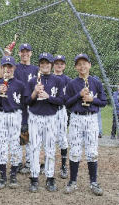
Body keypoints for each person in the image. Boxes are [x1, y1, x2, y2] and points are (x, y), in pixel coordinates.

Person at [64, 53, 107, 196]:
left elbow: (104, 102)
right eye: (79, 64)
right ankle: (72, 181)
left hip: (92, 118)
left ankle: (93, 182)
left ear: (89, 65)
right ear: (76, 67)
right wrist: (79, 95)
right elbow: (67, 103)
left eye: (85, 63)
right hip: (76, 118)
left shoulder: (96, 82)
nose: (82, 66)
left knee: (92, 151)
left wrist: (91, 99)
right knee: (75, 151)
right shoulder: (72, 83)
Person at [25, 53, 64, 192]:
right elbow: (27, 102)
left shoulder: (58, 81)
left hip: (51, 117)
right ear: (39, 65)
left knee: (50, 149)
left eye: (47, 63)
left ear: (51, 64)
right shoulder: (33, 81)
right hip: (35, 117)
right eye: (42, 63)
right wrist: (35, 93)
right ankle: (34, 178)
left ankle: (50, 177)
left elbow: (61, 101)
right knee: (34, 148)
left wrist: (48, 97)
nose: (45, 65)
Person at [0, 56, 25, 189]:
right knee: (2, 144)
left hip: (16, 115)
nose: (7, 69)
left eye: (10, 66)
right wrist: (0, 94)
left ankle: (13, 175)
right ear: (1, 68)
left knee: (15, 144)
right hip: (2, 115)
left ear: (14, 68)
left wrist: (24, 120)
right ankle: (2, 175)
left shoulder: (20, 84)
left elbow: (24, 103)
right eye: (5, 66)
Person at [14, 43, 39, 174]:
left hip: (31, 105)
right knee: (18, 133)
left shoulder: (36, 69)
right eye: (22, 51)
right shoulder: (15, 67)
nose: (25, 54)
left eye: (27, 51)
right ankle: (17, 162)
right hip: (18, 104)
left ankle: (29, 161)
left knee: (31, 133)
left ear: (31, 53)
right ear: (19, 53)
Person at [53, 55, 72, 179]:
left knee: (62, 138)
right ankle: (46, 164)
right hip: (47, 111)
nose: (59, 65)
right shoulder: (47, 77)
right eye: (57, 63)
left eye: (61, 63)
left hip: (61, 111)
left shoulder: (68, 80)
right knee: (46, 139)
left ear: (64, 65)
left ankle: (64, 166)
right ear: (53, 64)